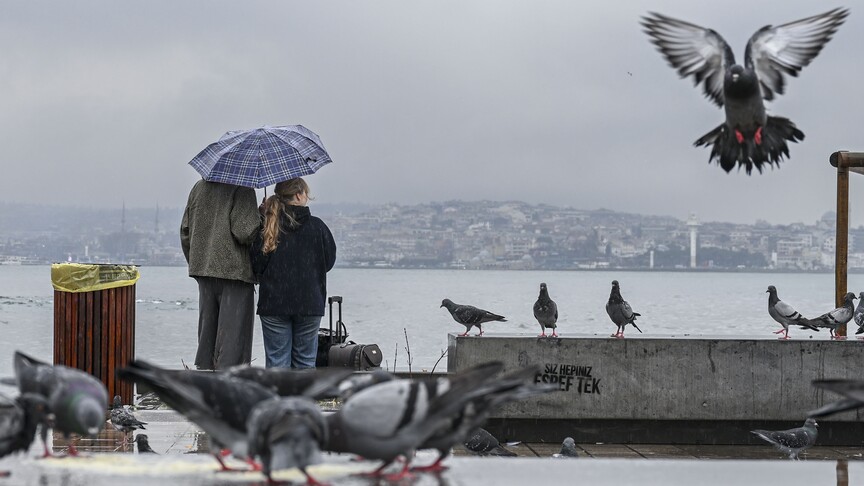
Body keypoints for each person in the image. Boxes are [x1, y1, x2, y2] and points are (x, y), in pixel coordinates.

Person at [250, 177, 337, 369]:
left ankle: (278, 390)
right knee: (305, 362)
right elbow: (329, 262)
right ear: (298, 195)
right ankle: (303, 390)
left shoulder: (269, 226)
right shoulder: (318, 227)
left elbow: (256, 265)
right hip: (309, 303)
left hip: (274, 303)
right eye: (305, 192)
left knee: (277, 363)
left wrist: (263, 218)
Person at [180, 179, 261, 370]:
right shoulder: (242, 186)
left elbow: (185, 231)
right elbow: (244, 232)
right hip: (235, 273)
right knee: (233, 340)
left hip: (204, 271)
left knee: (207, 338)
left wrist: (198, 262)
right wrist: (261, 217)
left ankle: (205, 378)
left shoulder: (198, 187)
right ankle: (229, 382)